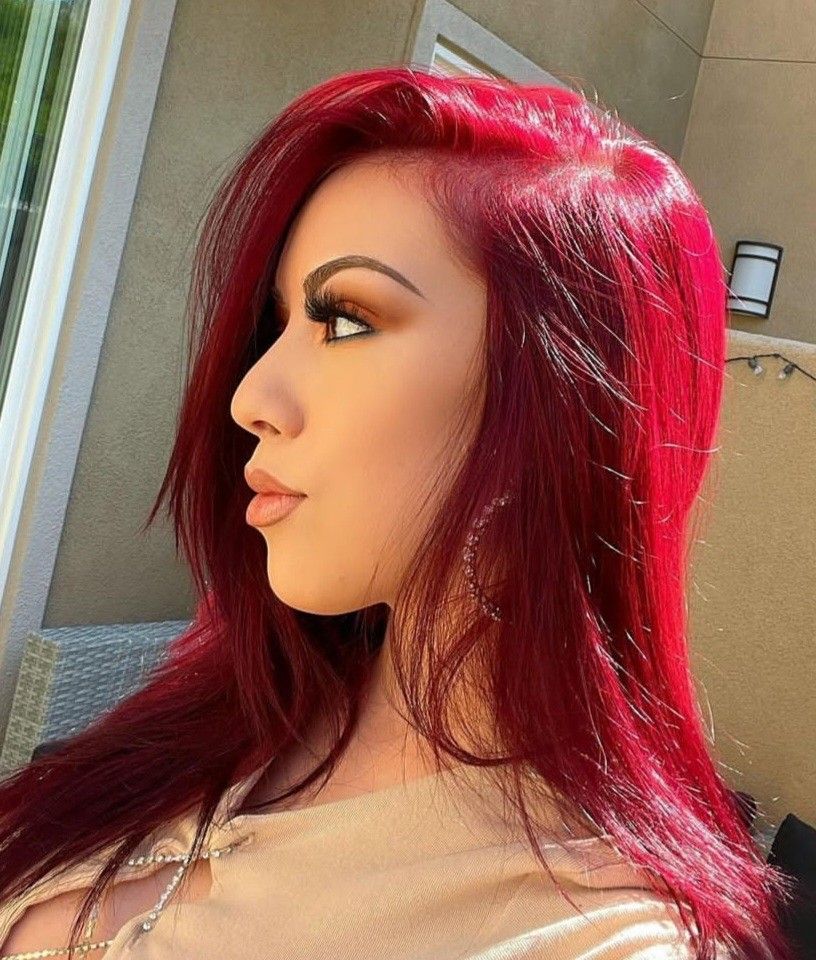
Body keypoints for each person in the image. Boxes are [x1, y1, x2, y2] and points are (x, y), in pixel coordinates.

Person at [0, 65, 795, 959]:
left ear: (559, 409)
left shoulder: (595, 939)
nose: (251, 398)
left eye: (345, 320)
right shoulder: (220, 722)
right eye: (279, 323)